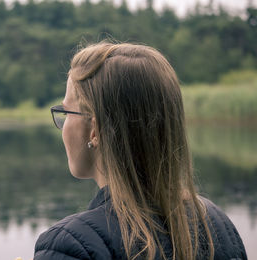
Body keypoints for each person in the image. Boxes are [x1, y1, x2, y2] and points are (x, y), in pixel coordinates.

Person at [33, 42, 247, 260]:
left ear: (95, 131)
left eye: (66, 112)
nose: (64, 124)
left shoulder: (71, 245)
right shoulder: (216, 225)